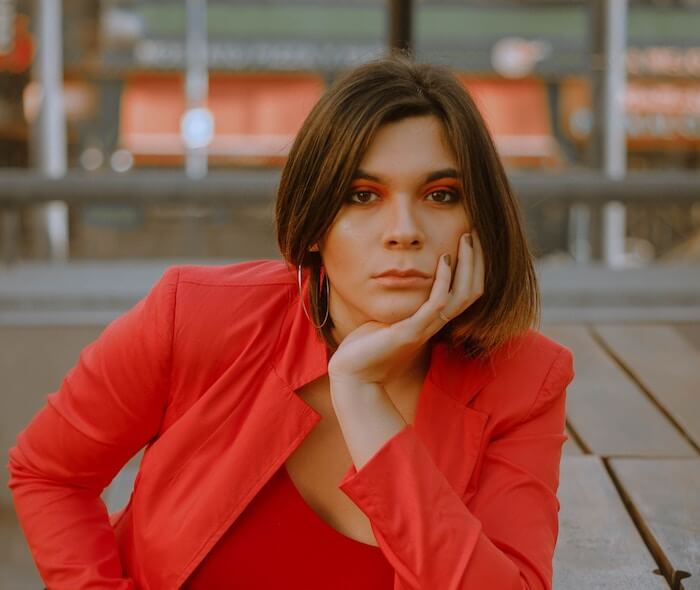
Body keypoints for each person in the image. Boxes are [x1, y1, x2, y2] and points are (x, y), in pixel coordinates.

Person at [8, 54, 574, 590]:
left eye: (441, 194)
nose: (404, 229)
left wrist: (362, 395)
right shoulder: (198, 316)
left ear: (483, 221)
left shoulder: (524, 379)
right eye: (362, 195)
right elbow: (51, 474)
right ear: (312, 225)